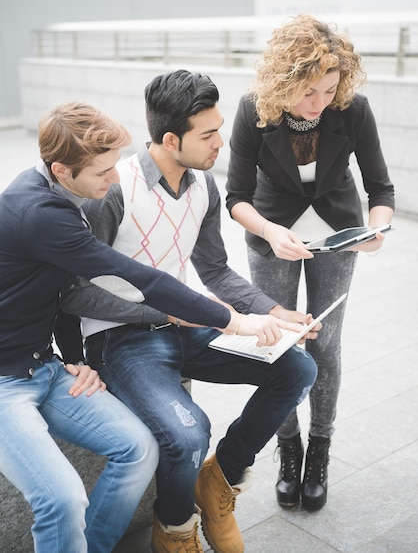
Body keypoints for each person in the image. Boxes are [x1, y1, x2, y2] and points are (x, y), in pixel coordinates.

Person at [0, 100, 293, 553]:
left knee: (139, 449)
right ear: (60, 170)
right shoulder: (40, 213)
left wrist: (73, 359)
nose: (115, 179)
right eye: (102, 172)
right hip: (4, 381)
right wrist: (234, 321)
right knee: (62, 498)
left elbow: (55, 290)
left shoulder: (55, 191)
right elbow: (141, 279)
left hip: (44, 368)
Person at [59, 71, 318, 553]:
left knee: (298, 369)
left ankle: (219, 481)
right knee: (188, 431)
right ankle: (175, 527)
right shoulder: (116, 190)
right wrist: (165, 312)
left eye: (219, 128)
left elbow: (216, 272)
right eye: (208, 134)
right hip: (121, 338)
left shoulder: (204, 186)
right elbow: (73, 293)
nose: (222, 141)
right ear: (172, 138)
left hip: (188, 325)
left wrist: (275, 311)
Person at [225, 14, 395, 512]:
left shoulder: (353, 109)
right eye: (309, 92)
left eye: (329, 90)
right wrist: (269, 231)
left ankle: (319, 448)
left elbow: (380, 188)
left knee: (327, 345)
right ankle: (288, 446)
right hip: (273, 235)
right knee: (280, 344)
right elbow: (235, 197)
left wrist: (378, 230)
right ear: (284, 81)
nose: (320, 103)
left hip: (339, 236)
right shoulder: (253, 110)